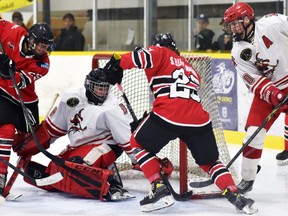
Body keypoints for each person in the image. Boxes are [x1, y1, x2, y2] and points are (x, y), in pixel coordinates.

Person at [103, 33, 257, 214]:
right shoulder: (190, 69)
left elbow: (139, 56)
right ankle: (235, 196)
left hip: (169, 114)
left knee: (137, 144)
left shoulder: (159, 52)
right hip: (199, 119)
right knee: (210, 162)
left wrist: (115, 64)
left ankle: (158, 187)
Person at [13, 68, 136, 201]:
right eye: (99, 88)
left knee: (78, 168)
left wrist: (138, 160)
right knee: (57, 168)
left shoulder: (113, 108)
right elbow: (53, 129)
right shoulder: (71, 97)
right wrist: (34, 143)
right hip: (78, 147)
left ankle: (112, 182)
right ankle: (93, 174)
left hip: (105, 147)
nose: (102, 92)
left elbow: (126, 140)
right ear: (88, 85)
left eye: (105, 88)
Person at [223, 2, 288, 194]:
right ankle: (248, 177)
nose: (233, 28)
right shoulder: (237, 51)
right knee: (253, 133)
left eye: (235, 23)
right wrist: (276, 94)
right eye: (230, 25)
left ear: (247, 19)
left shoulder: (272, 23)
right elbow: (255, 81)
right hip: (271, 92)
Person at [0, 20, 55, 198]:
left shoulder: (43, 63)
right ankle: (1, 175)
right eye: (41, 45)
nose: (43, 49)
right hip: (3, 93)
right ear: (31, 40)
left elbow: (21, 81)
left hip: (26, 99)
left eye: (46, 46)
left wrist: (7, 70)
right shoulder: (13, 32)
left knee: (28, 144)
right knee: (6, 130)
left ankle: (26, 165)